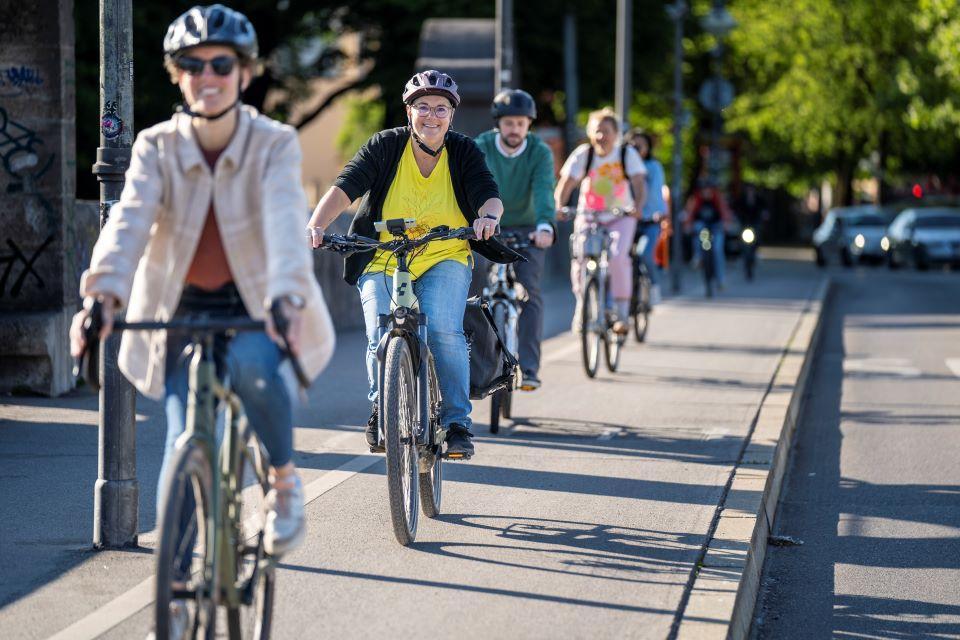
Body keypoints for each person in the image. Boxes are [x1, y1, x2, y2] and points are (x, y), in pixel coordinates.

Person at [69, 3, 336, 573]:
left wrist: (288, 297)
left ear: (244, 73)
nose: (207, 77)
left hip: (257, 302)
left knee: (254, 368)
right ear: (177, 74)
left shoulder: (274, 142)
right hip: (177, 308)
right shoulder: (156, 146)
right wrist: (101, 297)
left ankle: (284, 483)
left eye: (221, 64)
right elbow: (128, 224)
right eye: (193, 64)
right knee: (183, 437)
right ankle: (179, 584)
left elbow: (289, 225)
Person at [306, 70, 519, 459]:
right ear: (409, 111)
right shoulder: (385, 146)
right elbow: (346, 187)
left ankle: (456, 422)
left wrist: (488, 218)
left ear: (452, 115)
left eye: (441, 108)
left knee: (443, 330)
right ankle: (380, 408)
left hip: (444, 254)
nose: (431, 116)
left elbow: (488, 194)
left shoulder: (464, 150)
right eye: (423, 107)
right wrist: (317, 224)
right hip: (383, 254)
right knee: (379, 331)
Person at [474, 89, 556, 391]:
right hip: (484, 228)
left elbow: (545, 190)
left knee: (529, 293)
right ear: (499, 123)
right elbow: (469, 184)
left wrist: (545, 225)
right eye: (509, 123)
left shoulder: (539, 152)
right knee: (469, 289)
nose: (515, 130)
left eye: (521, 123)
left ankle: (531, 369)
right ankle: (472, 363)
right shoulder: (481, 146)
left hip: (527, 229)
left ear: (529, 125)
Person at [555, 108, 647, 334]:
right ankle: (581, 307)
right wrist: (558, 206)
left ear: (616, 134)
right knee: (580, 257)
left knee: (617, 256)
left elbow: (638, 182)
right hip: (589, 215)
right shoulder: (583, 154)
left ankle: (622, 314)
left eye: (606, 131)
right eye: (597, 131)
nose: (601, 137)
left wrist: (638, 206)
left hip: (620, 216)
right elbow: (567, 183)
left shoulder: (626, 154)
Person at [624, 129, 667, 305]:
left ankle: (654, 286)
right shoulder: (622, 166)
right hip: (627, 220)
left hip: (649, 220)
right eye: (633, 144)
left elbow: (656, 192)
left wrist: (657, 213)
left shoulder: (653, 167)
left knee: (644, 253)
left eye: (642, 145)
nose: (638, 148)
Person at [684, 181, 733, 288]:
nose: (706, 192)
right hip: (703, 228)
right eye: (704, 190)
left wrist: (726, 224)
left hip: (716, 227)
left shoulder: (718, 198)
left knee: (717, 250)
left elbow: (725, 213)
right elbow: (689, 213)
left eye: (708, 189)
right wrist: (688, 225)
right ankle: (698, 256)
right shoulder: (695, 199)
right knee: (697, 230)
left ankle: (721, 280)